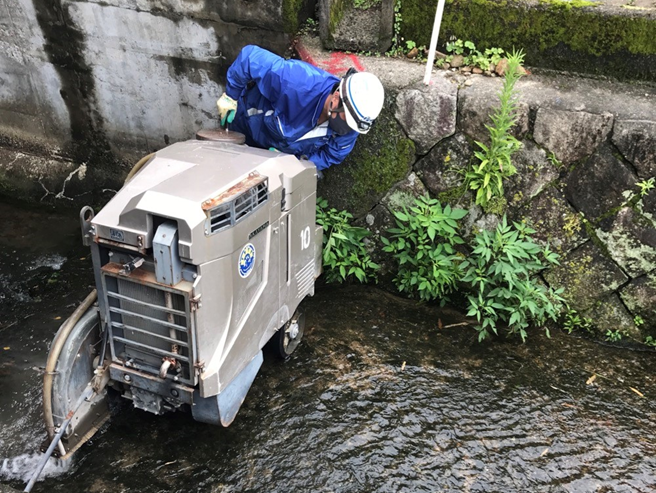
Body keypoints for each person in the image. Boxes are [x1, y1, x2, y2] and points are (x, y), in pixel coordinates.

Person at [217, 45, 384, 172]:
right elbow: (249, 57)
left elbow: (331, 155)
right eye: (346, 119)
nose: (346, 128)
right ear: (337, 97)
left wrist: (298, 163)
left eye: (351, 125)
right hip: (245, 123)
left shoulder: (352, 127)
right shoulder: (297, 81)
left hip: (275, 160)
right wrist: (231, 97)